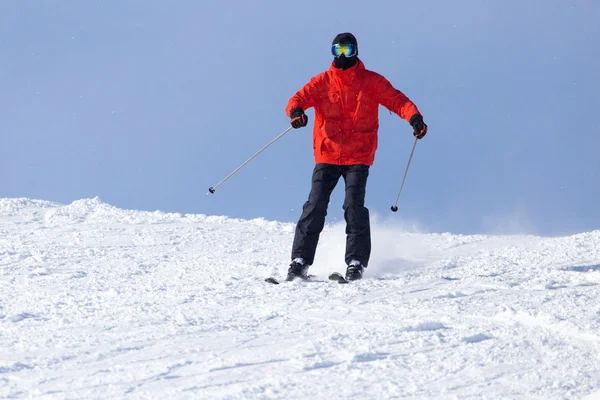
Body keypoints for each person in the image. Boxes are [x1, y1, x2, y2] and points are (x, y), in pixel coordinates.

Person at [285, 32, 427, 282]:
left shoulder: (371, 81)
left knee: (353, 206)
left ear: (356, 52)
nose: (342, 56)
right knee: (315, 205)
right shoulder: (322, 82)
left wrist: (414, 117)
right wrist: (296, 112)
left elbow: (398, 100)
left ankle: (356, 261)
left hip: (358, 156)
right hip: (328, 153)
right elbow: (298, 99)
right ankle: (300, 261)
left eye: (347, 51)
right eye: (337, 51)